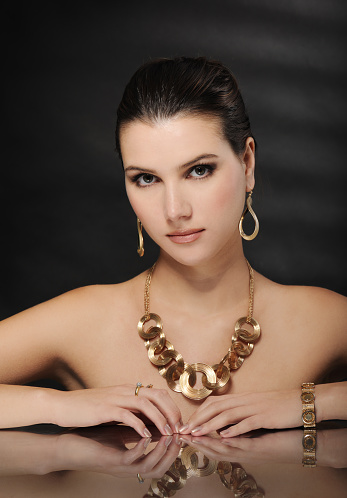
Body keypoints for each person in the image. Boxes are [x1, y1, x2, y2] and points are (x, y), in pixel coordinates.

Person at [1, 57, 346, 439]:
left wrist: (311, 403)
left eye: (198, 170)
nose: (174, 210)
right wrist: (58, 406)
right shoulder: (83, 319)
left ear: (247, 163)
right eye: (146, 178)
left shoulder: (321, 320)